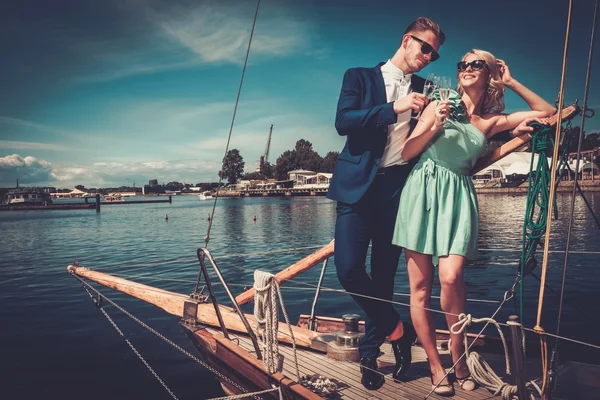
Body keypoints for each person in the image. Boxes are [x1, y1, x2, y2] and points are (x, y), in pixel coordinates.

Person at [392, 49, 555, 396]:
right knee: (420, 288)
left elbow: (549, 113)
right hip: (422, 191)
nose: (466, 68)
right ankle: (437, 365)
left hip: (459, 197)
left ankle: (460, 357)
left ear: (490, 73)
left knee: (451, 279)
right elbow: (407, 152)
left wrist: (510, 81)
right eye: (462, 64)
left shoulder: (493, 121)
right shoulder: (441, 101)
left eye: (475, 64)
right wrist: (434, 125)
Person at [326, 17, 446, 390]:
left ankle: (369, 353)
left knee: (382, 278)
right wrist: (395, 107)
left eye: (435, 53)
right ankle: (399, 330)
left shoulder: (430, 89)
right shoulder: (358, 77)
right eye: (425, 47)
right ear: (406, 40)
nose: (429, 56)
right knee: (348, 270)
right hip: (355, 189)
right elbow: (343, 122)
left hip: (398, 190)